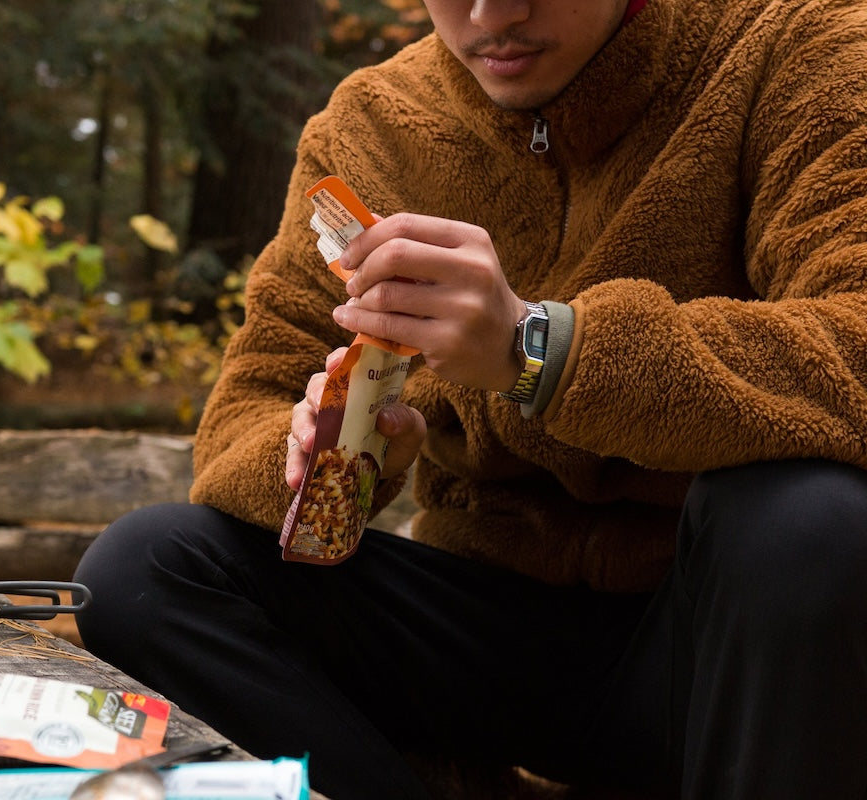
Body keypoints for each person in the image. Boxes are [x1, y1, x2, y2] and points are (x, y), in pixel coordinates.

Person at [74, 0, 867, 797]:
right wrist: (334, 454)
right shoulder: (374, 125)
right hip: (485, 630)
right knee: (145, 569)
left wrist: (541, 349)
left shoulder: (796, 43)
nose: (494, 14)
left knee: (805, 519)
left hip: (733, 644)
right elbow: (250, 405)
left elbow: (854, 343)